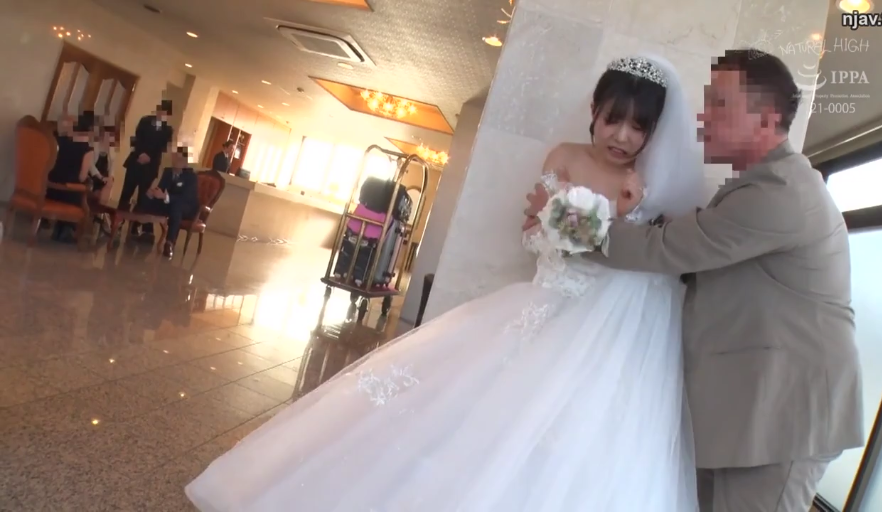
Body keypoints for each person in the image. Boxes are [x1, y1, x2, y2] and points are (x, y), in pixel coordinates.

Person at [185, 55, 705, 511]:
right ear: (594, 108)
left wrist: (617, 214)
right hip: (543, 308)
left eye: (638, 127)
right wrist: (558, 226)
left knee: (565, 443)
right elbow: (531, 237)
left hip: (605, 333)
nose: (622, 136)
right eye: (614, 119)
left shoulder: (649, 184)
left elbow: (649, 256)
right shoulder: (565, 157)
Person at [540, 49, 862, 512]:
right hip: (751, 409)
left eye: (719, 105)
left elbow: (665, 249)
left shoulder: (779, 193)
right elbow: (697, 255)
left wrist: (560, 219)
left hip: (784, 416)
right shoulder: (760, 185)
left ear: (766, 118)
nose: (702, 117)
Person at [118, 100, 173, 241]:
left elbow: (163, 148)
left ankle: (136, 225)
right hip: (136, 162)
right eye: (161, 111)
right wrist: (140, 153)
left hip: (150, 166)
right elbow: (135, 138)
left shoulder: (168, 130)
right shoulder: (145, 121)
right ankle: (118, 222)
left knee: (143, 197)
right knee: (126, 192)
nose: (162, 114)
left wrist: (150, 157)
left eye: (165, 113)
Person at [135, 145, 199, 259]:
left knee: (177, 207)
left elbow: (185, 198)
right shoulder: (168, 171)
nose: (175, 161)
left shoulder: (191, 177)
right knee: (146, 198)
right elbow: (161, 188)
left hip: (186, 207)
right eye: (174, 157)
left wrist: (165, 196)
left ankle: (169, 243)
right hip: (168, 203)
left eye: (179, 158)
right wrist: (153, 192)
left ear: (185, 162)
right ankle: (146, 232)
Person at [46, 111, 95, 243]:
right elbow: (81, 177)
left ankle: (58, 228)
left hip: (50, 187)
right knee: (82, 187)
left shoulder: (61, 139)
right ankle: (66, 229)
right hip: (67, 192)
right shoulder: (87, 150)